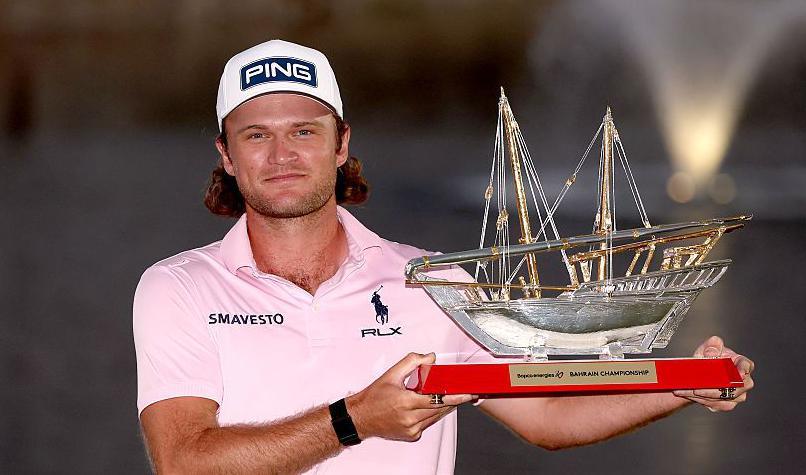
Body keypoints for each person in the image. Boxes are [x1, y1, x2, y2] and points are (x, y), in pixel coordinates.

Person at [133, 39, 755, 474]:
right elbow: (184, 461)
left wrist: (685, 384)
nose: (282, 155)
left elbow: (544, 415)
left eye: (304, 131)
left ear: (342, 142)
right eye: (256, 136)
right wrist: (356, 419)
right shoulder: (179, 288)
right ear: (225, 153)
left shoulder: (432, 282)